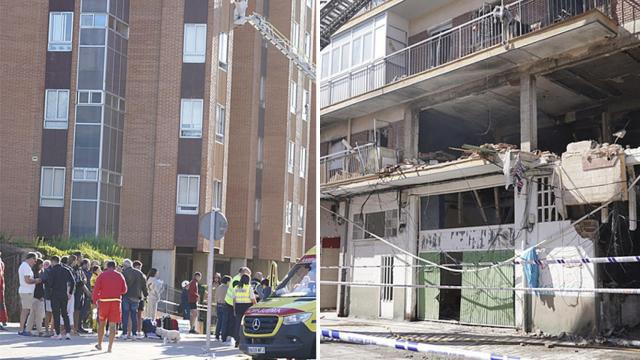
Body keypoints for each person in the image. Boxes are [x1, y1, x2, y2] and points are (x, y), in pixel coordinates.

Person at [92, 260, 127, 353]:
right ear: (115, 267)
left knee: (102, 323)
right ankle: (110, 347)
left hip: (104, 302)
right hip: (116, 302)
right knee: (113, 325)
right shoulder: (120, 275)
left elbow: (96, 289)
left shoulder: (102, 275)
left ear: (107, 266)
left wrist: (95, 300)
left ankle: (99, 344)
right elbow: (124, 290)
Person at [48, 256, 75, 340]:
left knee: (56, 314)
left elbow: (50, 284)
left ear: (53, 261)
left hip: (55, 294)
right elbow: (73, 282)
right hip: (64, 294)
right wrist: (70, 293)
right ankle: (67, 333)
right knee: (65, 313)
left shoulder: (52, 271)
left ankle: (58, 333)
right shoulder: (66, 270)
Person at [223, 267, 251, 344]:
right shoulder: (238, 280)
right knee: (233, 322)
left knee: (234, 322)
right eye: (248, 274)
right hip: (233, 303)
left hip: (235, 303)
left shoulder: (237, 279)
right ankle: (230, 338)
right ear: (244, 273)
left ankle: (233, 339)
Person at [121, 259, 147, 340]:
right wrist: (145, 295)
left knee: (125, 315)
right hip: (136, 296)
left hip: (126, 296)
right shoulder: (139, 273)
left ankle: (125, 333)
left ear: (125, 266)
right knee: (134, 315)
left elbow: (121, 285)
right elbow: (144, 285)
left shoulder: (124, 273)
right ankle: (134, 334)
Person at [18, 252, 41, 335]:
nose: (35, 262)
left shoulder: (24, 266)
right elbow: (27, 280)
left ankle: (22, 329)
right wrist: (36, 280)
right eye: (35, 260)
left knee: (26, 310)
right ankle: (21, 329)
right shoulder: (26, 267)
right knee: (25, 310)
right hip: (26, 291)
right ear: (31, 258)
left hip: (26, 291)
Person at [232, 274, 256, 347]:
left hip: (238, 306)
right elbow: (252, 299)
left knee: (238, 324)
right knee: (247, 324)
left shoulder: (236, 287)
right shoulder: (249, 288)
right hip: (247, 307)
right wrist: (256, 306)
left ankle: (237, 341)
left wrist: (234, 309)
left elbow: (234, 299)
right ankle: (246, 340)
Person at [25, 258, 46, 336]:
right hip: (36, 296)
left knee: (34, 314)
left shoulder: (39, 272)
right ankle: (39, 331)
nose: (42, 266)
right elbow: (36, 286)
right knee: (37, 315)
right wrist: (39, 296)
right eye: (41, 265)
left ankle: (28, 329)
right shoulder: (35, 274)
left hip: (36, 296)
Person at [214, 275, 231, 341]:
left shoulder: (219, 287)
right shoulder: (227, 288)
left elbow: (215, 297)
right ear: (227, 281)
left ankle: (217, 335)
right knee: (224, 321)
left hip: (218, 305)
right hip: (225, 305)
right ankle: (223, 337)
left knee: (219, 321)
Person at [41, 259, 53, 335]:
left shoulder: (53, 270)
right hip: (48, 295)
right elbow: (43, 280)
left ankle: (51, 329)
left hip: (53, 295)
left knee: (53, 313)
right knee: (48, 312)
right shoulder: (47, 271)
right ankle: (47, 329)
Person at [132, 261, 145, 335]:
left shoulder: (143, 275)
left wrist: (145, 295)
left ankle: (139, 330)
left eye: (140, 267)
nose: (139, 269)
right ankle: (130, 330)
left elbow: (144, 287)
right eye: (138, 267)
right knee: (132, 314)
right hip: (133, 296)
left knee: (139, 314)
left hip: (141, 297)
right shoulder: (131, 275)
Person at [80, 259, 93, 329]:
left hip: (88, 292)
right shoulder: (82, 272)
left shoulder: (88, 272)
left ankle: (82, 324)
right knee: (82, 310)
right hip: (84, 292)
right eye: (88, 264)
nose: (89, 265)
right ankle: (80, 325)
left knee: (86, 310)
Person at [0, 251, 8, 331]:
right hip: (1, 285)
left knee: (1, 303)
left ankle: (2, 319)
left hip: (1, 285)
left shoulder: (1, 263)